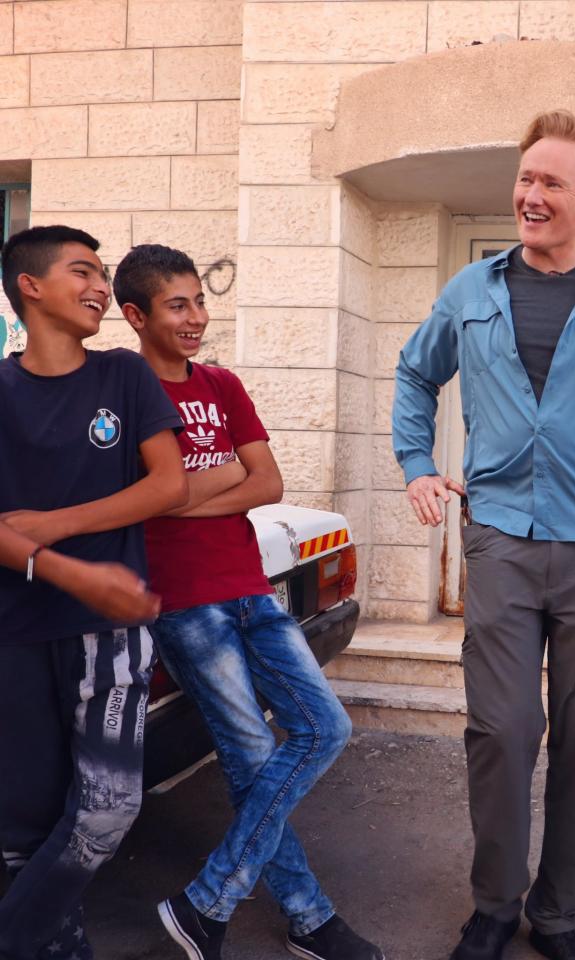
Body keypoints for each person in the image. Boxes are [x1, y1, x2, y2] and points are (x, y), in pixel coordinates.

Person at [392, 110, 575, 960]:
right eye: (525, 179)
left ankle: (559, 915)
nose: (530, 194)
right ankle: (495, 904)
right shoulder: (472, 290)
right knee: (500, 729)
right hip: (500, 542)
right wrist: (418, 464)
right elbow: (416, 376)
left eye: (550, 183)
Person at [115, 244, 383, 960]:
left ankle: (208, 903)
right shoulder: (122, 393)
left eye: (200, 300)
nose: (198, 317)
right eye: (179, 305)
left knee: (323, 728)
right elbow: (138, 500)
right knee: (248, 754)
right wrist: (199, 482)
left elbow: (265, 482)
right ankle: (310, 920)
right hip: (183, 604)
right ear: (135, 315)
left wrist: (174, 494)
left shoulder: (220, 384)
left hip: (248, 588)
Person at [0, 225, 188, 960]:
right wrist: (73, 569)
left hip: (107, 634)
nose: (102, 286)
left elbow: (167, 483)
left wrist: (50, 526)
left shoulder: (122, 376)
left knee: (107, 810)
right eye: (84, 271)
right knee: (25, 824)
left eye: (103, 274)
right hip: (16, 630)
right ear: (30, 286)